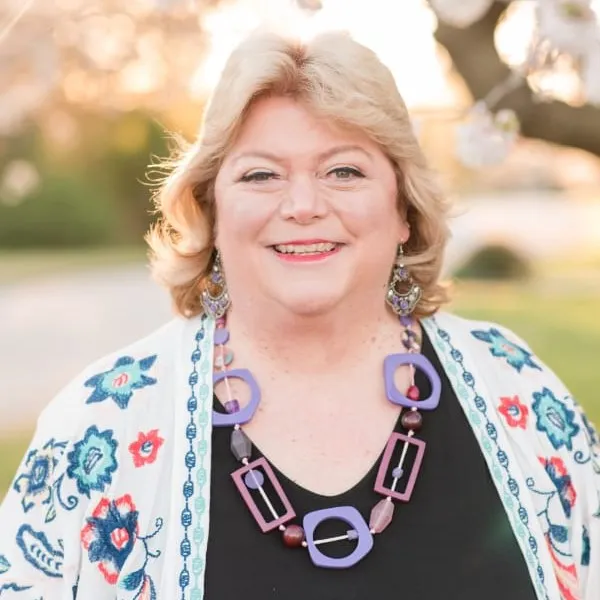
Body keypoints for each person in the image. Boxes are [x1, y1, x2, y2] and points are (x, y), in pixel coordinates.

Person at [0, 29, 598, 600]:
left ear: (403, 209)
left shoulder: (514, 386)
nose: (303, 205)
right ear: (212, 210)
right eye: (261, 174)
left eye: (344, 171)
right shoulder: (101, 425)